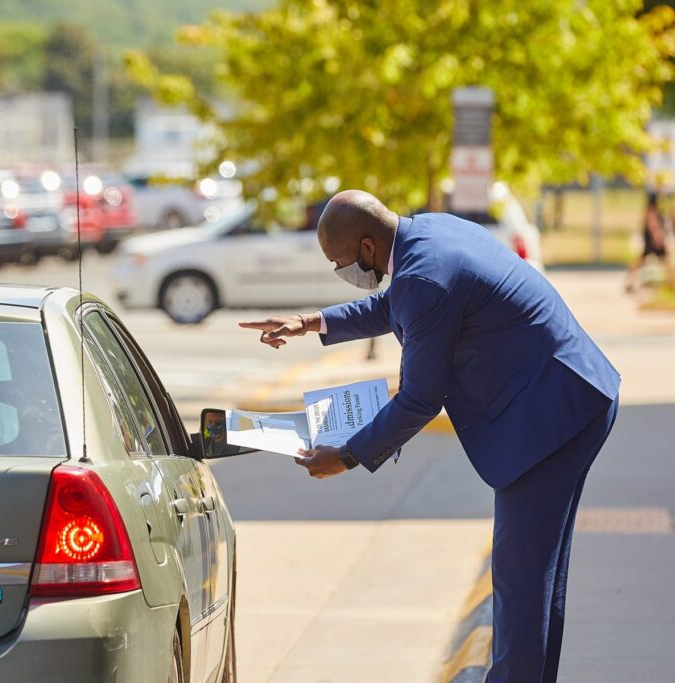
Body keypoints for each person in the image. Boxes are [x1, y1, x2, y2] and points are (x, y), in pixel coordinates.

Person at [239, 190, 620, 683]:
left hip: (552, 415)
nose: (343, 273)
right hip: (570, 394)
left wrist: (348, 456)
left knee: (520, 581)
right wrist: (311, 322)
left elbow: (420, 399)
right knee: (535, 578)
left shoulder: (424, 277)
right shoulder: (430, 233)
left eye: (342, 263)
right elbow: (393, 304)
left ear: (369, 247)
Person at [625, 191, 672, 292]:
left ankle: (670, 284)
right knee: (658, 259)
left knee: (661, 259)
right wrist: (656, 234)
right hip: (652, 237)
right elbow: (651, 217)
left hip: (652, 236)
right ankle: (670, 284)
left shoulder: (658, 197)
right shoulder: (654, 197)